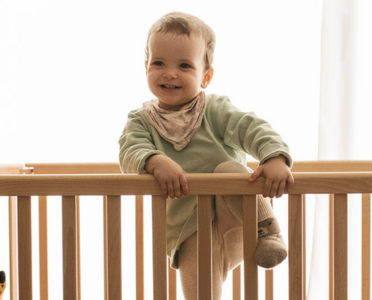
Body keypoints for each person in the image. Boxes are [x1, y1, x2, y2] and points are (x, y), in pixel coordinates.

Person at [118, 11, 294, 299]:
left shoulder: (214, 110)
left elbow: (253, 128)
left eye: (184, 65)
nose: (169, 72)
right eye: (158, 62)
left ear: (206, 76)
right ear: (146, 67)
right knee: (200, 293)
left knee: (227, 171)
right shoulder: (141, 120)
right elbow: (129, 151)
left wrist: (273, 157)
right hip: (188, 231)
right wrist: (154, 160)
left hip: (237, 219)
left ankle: (268, 229)